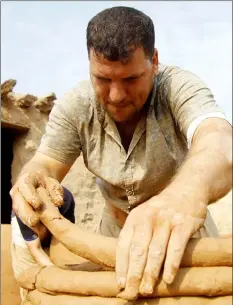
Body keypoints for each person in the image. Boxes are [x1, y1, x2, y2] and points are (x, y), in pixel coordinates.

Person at [10, 6, 232, 300]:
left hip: (185, 239)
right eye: (102, 79)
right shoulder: (76, 105)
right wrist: (31, 182)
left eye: (130, 80)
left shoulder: (178, 87)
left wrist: (184, 195)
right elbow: (44, 165)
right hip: (112, 240)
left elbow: (218, 139)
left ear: (154, 61)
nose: (115, 95)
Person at [11, 187, 75, 277]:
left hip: (52, 232)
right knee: (29, 277)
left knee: (59, 265)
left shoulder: (65, 199)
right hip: (26, 243)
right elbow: (35, 249)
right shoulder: (23, 208)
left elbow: (64, 237)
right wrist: (55, 274)